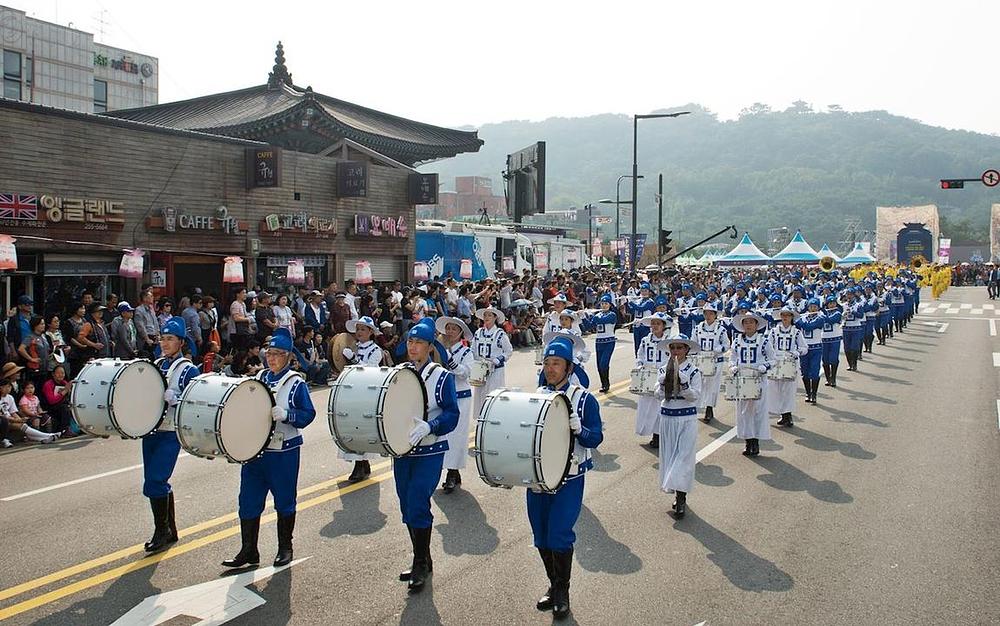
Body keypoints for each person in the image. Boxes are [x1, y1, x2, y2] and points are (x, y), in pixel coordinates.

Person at [222, 328, 315, 569]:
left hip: (283, 451)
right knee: (248, 499)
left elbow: (308, 415)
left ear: (288, 356)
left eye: (277, 354)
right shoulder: (259, 379)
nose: (271, 358)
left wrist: (288, 415)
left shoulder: (295, 383)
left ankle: (285, 547)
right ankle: (249, 550)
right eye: (269, 353)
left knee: (284, 499)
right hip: (256, 451)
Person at [529, 335, 603, 619]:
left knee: (559, 534)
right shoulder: (537, 394)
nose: (550, 368)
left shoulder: (584, 399)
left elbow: (596, 438)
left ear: (569, 368)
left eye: (556, 363)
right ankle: (553, 584)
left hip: (570, 477)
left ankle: (563, 592)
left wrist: (579, 429)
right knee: (541, 535)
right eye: (547, 363)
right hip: (538, 478)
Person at [394, 318, 459, 592]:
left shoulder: (441, 376)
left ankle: (420, 561)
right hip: (403, 450)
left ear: (430, 346)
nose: (413, 346)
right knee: (406, 505)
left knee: (418, 501)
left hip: (430, 450)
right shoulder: (400, 373)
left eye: (419, 342)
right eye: (410, 341)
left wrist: (430, 426)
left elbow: (452, 414)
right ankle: (424, 557)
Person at [142, 317, 199, 553]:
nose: (164, 343)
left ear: (181, 342)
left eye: (170, 339)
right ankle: (170, 529)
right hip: (151, 430)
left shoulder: (187, 369)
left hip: (170, 432)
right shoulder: (155, 364)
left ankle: (161, 531)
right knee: (154, 481)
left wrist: (178, 399)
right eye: (162, 338)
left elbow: (195, 400)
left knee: (155, 480)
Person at [655, 334, 702, 518]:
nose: (675, 351)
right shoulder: (662, 369)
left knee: (683, 458)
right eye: (673, 348)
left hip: (686, 418)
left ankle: (681, 499)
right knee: (670, 457)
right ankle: (676, 493)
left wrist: (684, 385)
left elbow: (695, 396)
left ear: (686, 350)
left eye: (679, 348)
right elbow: (657, 395)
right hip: (668, 417)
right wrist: (660, 386)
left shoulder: (693, 371)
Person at [339, 316, 383, 483]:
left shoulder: (376, 350)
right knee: (351, 427)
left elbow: (369, 371)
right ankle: (361, 463)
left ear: (371, 332)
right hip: (351, 391)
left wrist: (353, 359)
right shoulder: (351, 347)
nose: (359, 332)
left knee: (361, 428)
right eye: (357, 329)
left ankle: (360, 464)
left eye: (363, 329)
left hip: (366, 394)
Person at [436, 316, 475, 493]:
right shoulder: (438, 349)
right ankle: (450, 469)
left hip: (460, 396)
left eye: (454, 329)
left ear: (460, 333)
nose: (450, 332)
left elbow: (465, 373)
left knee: (457, 435)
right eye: (448, 328)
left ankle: (452, 472)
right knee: (442, 435)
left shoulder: (466, 353)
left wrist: (451, 361)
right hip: (442, 396)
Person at [729, 311, 775, 457]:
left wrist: (765, 367)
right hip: (742, 379)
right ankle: (747, 440)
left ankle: (756, 442)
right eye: (745, 322)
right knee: (743, 411)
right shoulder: (736, 341)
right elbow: (732, 358)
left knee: (758, 411)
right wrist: (733, 367)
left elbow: (773, 360)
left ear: (756, 325)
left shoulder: (764, 341)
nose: (748, 325)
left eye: (751, 322)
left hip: (758, 378)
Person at [634, 312, 672, 449]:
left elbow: (672, 358)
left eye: (658, 323)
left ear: (664, 326)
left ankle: (658, 435)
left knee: (659, 406)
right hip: (648, 375)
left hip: (661, 376)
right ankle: (650, 431)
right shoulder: (646, 339)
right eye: (653, 323)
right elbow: (640, 354)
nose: (655, 326)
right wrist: (639, 365)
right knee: (646, 406)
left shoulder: (669, 341)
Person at [765, 306, 808, 427]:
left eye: (787, 315)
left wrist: (797, 352)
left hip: (790, 364)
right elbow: (768, 347)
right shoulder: (773, 331)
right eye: (783, 315)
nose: (785, 317)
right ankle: (779, 413)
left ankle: (787, 415)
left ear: (791, 317)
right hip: (776, 363)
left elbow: (804, 348)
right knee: (774, 389)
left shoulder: (796, 332)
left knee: (788, 390)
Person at [471, 307, 513, 418]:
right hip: (480, 370)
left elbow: (508, 351)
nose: (486, 318)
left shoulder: (500, 334)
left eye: (490, 315)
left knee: (493, 395)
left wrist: (498, 359)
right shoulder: (478, 332)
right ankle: (481, 420)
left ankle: (493, 419)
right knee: (480, 396)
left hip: (495, 371)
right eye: (485, 315)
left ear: (495, 318)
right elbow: (473, 350)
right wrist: (476, 361)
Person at [692, 302, 730, 423]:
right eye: (706, 313)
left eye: (711, 313)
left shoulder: (721, 329)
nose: (708, 316)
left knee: (712, 386)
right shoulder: (697, 328)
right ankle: (697, 407)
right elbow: (693, 343)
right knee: (699, 384)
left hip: (715, 361)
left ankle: (709, 408)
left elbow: (727, 345)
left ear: (715, 315)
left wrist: (719, 349)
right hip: (701, 360)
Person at [0, 379, 57, 444]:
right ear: (1, 387)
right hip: (4, 421)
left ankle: (44, 438)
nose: (8, 388)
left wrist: (20, 419)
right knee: (21, 426)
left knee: (23, 425)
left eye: (9, 386)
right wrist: (17, 420)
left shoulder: (10, 397)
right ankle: (48, 435)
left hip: (11, 419)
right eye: (6, 387)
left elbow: (13, 412)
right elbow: (3, 416)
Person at [797, 298, 825, 404]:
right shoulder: (803, 317)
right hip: (804, 349)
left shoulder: (820, 318)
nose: (813, 308)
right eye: (811, 306)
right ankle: (808, 393)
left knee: (814, 371)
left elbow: (808, 327)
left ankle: (814, 394)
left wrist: (798, 320)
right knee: (804, 372)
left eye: (815, 306)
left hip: (816, 348)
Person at [589, 294, 618, 393]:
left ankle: (606, 383)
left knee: (603, 363)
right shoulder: (597, 315)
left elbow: (603, 320)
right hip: (599, 342)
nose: (604, 305)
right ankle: (604, 384)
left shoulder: (612, 315)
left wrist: (594, 317)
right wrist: (583, 317)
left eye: (606, 303)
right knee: (599, 365)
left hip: (609, 342)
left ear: (610, 305)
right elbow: (589, 326)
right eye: (602, 304)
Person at [41, 364, 76, 437]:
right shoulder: (48, 384)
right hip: (50, 407)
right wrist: (64, 392)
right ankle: (65, 430)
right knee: (64, 408)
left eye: (62, 373)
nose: (61, 375)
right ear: (53, 374)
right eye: (58, 373)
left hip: (62, 405)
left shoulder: (65, 383)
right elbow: (51, 401)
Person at [820, 296, 843, 387]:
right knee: (825, 359)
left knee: (833, 359)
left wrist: (823, 313)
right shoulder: (821, 313)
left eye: (833, 303)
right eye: (830, 303)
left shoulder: (837, 313)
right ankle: (827, 378)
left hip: (835, 339)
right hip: (824, 339)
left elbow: (830, 320)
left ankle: (833, 378)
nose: (832, 305)